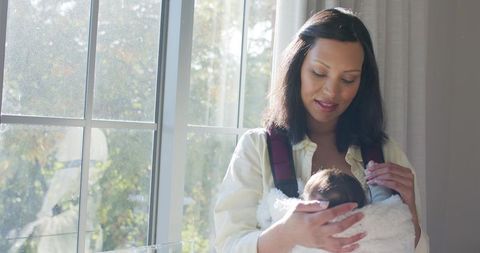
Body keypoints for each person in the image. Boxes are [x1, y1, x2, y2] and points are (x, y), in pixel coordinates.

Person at [214, 7, 429, 253]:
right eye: (318, 73)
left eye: (348, 79)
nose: (331, 92)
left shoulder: (386, 153)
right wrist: (285, 234)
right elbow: (226, 246)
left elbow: (414, 248)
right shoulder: (256, 149)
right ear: (297, 68)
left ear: (362, 82)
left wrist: (410, 212)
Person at [256, 169, 415, 253]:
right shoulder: (378, 221)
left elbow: (272, 207)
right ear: (366, 204)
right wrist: (375, 179)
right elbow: (401, 226)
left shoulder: (293, 221)